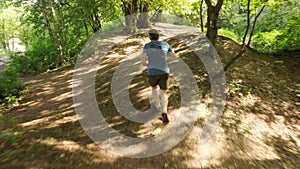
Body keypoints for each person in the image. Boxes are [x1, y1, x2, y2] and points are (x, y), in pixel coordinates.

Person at [140, 29, 177, 124]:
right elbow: (174, 57)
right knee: (163, 92)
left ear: (149, 37)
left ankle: (157, 106)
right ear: (158, 36)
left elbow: (143, 62)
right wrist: (165, 62)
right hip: (164, 71)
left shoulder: (147, 46)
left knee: (154, 88)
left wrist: (149, 64)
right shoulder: (165, 44)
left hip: (152, 72)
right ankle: (164, 111)